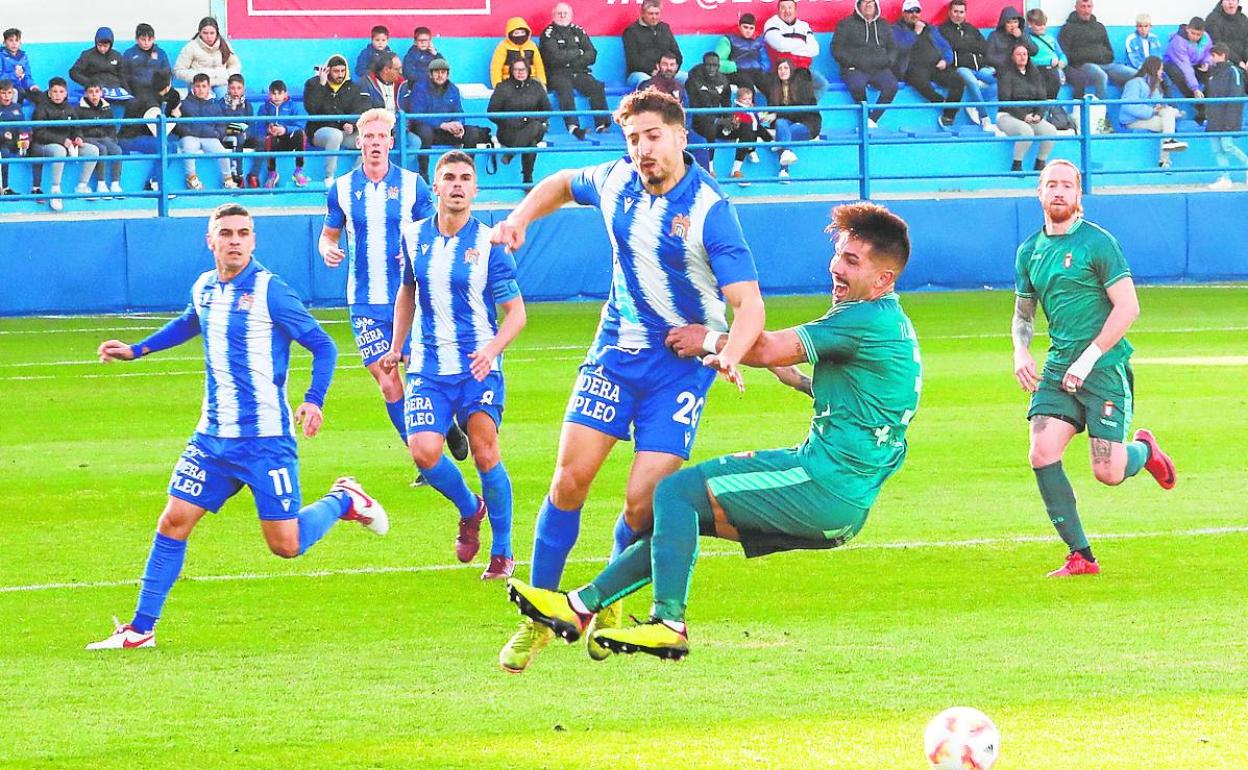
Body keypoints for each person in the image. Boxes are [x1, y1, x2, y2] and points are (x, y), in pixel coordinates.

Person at [505, 202, 921, 661]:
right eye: (839, 255)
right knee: (685, 517)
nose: (836, 268)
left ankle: (668, 622)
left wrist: (707, 338)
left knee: (675, 494)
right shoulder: (894, 325)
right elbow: (877, 407)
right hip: (844, 500)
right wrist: (802, 381)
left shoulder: (861, 320)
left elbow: (763, 347)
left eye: (852, 261)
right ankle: (578, 606)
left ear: (884, 279)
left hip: (823, 484)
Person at [490, 88, 765, 673]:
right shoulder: (614, 179)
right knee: (569, 481)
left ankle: (604, 603)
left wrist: (730, 354)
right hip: (615, 354)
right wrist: (517, 219)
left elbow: (750, 307)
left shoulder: (711, 211)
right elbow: (562, 182)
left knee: (644, 504)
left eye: (653, 137)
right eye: (634, 138)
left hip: (680, 370)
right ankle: (539, 617)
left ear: (681, 136)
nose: (642, 149)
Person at [85, 203, 389, 651]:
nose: (234, 240)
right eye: (225, 233)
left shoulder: (272, 292)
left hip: (266, 440)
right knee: (174, 521)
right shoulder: (205, 287)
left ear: (253, 241)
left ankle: (345, 499)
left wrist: (312, 400)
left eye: (243, 233)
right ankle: (140, 628)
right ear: (210, 241)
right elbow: (192, 321)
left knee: (285, 545)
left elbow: (324, 347)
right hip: (211, 438)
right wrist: (138, 349)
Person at [1011, 160, 1177, 577]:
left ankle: (1145, 451)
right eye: (1051, 185)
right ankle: (1081, 556)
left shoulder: (1098, 244)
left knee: (1109, 472)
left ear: (1079, 194)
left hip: (1102, 369)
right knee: (1041, 451)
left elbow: (1128, 307)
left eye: (1068, 185)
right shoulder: (1030, 251)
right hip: (1057, 370)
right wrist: (1020, 351)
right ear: (1039, 193)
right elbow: (1024, 314)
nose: (1059, 192)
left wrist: (1088, 359)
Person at [384, 150, 527, 578]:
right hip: (428, 366)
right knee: (424, 451)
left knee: (485, 452)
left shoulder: (489, 244)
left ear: (475, 189)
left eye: (466, 177)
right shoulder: (412, 237)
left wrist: (492, 350)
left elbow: (516, 313)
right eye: (450, 177)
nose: (458, 185)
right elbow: (407, 291)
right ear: (436, 186)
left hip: (477, 367)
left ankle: (502, 552)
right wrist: (397, 344)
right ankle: (470, 507)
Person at [318, 108, 468, 485]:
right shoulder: (342, 189)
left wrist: (416, 250)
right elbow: (329, 234)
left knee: (419, 374)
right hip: (365, 303)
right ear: (360, 142)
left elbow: (434, 230)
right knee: (388, 381)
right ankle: (422, 459)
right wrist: (326, 250)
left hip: (410, 298)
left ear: (390, 141)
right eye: (367, 137)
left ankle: (446, 424)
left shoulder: (413, 185)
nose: (374, 143)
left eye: (381, 137)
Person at [406, 58, 491, 179]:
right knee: (425, 132)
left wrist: (458, 125)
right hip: (429, 131)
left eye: (443, 72)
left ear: (448, 74)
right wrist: (441, 124)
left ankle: (466, 173)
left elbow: (459, 111)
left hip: (448, 131)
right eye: (436, 72)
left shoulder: (453, 89)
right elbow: (417, 114)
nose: (440, 75)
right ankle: (423, 174)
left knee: (472, 132)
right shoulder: (419, 88)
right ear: (430, 74)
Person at [540, 3, 610, 139]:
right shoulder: (548, 33)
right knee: (564, 88)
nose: (562, 16)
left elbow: (592, 54)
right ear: (553, 15)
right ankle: (573, 127)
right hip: (557, 73)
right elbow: (554, 58)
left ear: (571, 15)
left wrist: (572, 60)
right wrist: (578, 52)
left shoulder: (578, 30)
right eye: (559, 13)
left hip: (579, 71)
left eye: (565, 13)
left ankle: (602, 125)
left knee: (596, 86)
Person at [893, 0, 965, 128]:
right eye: (910, 12)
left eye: (917, 11)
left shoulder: (931, 29)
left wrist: (945, 60)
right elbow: (901, 48)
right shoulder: (896, 29)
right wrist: (916, 33)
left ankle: (949, 115)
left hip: (935, 66)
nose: (914, 14)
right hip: (911, 67)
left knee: (958, 81)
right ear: (903, 13)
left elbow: (946, 48)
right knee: (918, 79)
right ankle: (939, 101)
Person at [31, 77, 99, 212]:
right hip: (44, 145)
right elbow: (39, 133)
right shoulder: (41, 108)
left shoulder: (69, 108)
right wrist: (61, 140)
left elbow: (76, 127)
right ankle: (56, 191)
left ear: (66, 93)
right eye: (54, 92)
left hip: (68, 144)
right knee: (59, 151)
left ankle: (82, 186)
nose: (58, 95)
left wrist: (78, 137)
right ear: (49, 93)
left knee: (93, 150)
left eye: (61, 91)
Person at [304, 54, 370, 187]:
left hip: (344, 132)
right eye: (336, 71)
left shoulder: (352, 88)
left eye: (342, 71)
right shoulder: (313, 84)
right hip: (320, 131)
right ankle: (329, 177)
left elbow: (360, 109)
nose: (340, 74)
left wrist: (352, 124)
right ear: (328, 71)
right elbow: (312, 109)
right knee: (335, 135)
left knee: (368, 139)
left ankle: (356, 176)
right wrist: (321, 85)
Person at [833, 0, 899, 128]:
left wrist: (888, 61)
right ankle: (866, 117)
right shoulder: (846, 24)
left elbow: (893, 48)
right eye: (864, 2)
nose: (868, 5)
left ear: (876, 5)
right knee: (857, 85)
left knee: (892, 86)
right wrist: (851, 61)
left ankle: (871, 120)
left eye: (871, 2)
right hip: (855, 68)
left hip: (879, 68)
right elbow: (836, 48)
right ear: (858, 5)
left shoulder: (884, 24)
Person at [1118, 56, 1188, 170]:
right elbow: (1128, 105)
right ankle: (1165, 158)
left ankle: (1164, 159)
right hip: (1132, 121)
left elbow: (1158, 104)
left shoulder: (1155, 85)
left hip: (1150, 119)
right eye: (1160, 69)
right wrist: (1153, 111)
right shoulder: (1134, 83)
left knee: (1168, 117)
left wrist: (1168, 110)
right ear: (1154, 69)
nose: (1162, 72)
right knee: (1168, 121)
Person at [487, 58, 549, 187]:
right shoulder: (503, 87)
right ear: (511, 71)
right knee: (531, 143)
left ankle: (511, 153)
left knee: (536, 127)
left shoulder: (536, 87)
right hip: (509, 131)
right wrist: (510, 121)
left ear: (528, 70)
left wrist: (530, 120)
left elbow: (547, 110)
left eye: (523, 69)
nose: (520, 72)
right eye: (516, 69)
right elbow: (492, 112)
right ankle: (528, 179)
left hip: (533, 127)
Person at [1058, 0, 1134, 100]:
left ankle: (1130, 106)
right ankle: (1100, 111)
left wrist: (1104, 56)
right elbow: (1065, 53)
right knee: (1101, 76)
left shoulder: (1099, 27)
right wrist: (1088, 56)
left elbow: (1110, 50)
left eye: (1089, 6)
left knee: (1135, 75)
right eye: (1083, 7)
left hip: (1106, 64)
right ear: (1076, 7)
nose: (1086, 10)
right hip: (1083, 65)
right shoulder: (1067, 28)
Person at [118, 70, 180, 192]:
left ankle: (156, 181)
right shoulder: (151, 104)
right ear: (167, 87)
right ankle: (154, 183)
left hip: (134, 136)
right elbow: (160, 132)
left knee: (171, 146)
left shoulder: (148, 95)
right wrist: (174, 117)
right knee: (167, 147)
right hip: (129, 139)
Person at [996, 43, 1055, 172]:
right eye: (1018, 54)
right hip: (1008, 115)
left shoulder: (1035, 74)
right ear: (1012, 57)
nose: (1022, 57)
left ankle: (1040, 163)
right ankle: (1017, 164)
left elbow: (1042, 98)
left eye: (1025, 54)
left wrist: (1039, 114)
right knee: (1026, 131)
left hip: (1030, 116)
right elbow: (1005, 101)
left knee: (1050, 131)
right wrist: (1023, 116)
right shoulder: (1005, 75)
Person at [939, 0, 996, 131]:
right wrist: (968, 46)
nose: (958, 15)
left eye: (961, 12)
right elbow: (949, 47)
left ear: (965, 13)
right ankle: (984, 118)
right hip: (960, 68)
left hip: (980, 68)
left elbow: (984, 47)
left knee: (1000, 80)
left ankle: (974, 102)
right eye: (955, 11)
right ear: (949, 12)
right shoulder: (942, 30)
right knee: (971, 82)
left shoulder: (972, 29)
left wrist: (963, 46)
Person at [176, 72, 236, 190]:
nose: (201, 89)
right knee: (188, 150)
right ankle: (192, 179)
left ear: (209, 87)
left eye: (204, 86)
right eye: (198, 86)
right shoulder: (185, 103)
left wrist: (217, 134)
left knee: (223, 153)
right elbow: (178, 124)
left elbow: (221, 124)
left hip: (210, 137)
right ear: (193, 87)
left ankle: (228, 180)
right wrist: (186, 131)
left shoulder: (215, 105)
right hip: (190, 136)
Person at [766, 59, 821, 179]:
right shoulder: (775, 88)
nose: (782, 71)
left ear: (791, 69)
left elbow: (801, 111)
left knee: (784, 133)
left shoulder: (802, 85)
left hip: (807, 122)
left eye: (785, 68)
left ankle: (783, 167)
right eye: (780, 68)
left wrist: (777, 114)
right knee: (781, 125)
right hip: (786, 124)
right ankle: (784, 154)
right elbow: (774, 113)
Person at [1205, 42, 1248, 189]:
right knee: (1218, 150)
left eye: (1214, 56)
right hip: (1214, 118)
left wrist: (1231, 120)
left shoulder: (1233, 71)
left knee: (1227, 146)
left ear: (1222, 55)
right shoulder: (1212, 73)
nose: (1211, 59)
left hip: (1227, 119)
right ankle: (1225, 177)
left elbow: (1236, 97)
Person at [764, 0, 829, 95]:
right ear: (778, 10)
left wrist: (791, 48)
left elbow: (814, 50)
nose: (787, 11)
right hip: (783, 69)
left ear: (795, 10)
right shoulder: (772, 23)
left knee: (822, 84)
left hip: (805, 68)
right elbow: (781, 45)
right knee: (797, 86)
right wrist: (802, 44)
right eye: (783, 8)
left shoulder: (804, 26)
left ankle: (807, 107)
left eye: (790, 7)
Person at [257, 79, 309, 188]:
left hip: (289, 140)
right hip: (274, 141)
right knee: (269, 139)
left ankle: (298, 171)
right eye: (273, 93)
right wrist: (269, 130)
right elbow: (259, 126)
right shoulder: (264, 108)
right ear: (269, 94)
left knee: (301, 134)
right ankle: (272, 174)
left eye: (279, 93)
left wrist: (285, 129)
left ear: (285, 93)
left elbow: (299, 125)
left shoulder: (292, 106)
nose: (276, 96)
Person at [686, 52, 733, 167]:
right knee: (710, 128)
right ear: (703, 65)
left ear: (718, 66)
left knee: (745, 126)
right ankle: (710, 167)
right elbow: (694, 107)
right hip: (699, 123)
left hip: (717, 120)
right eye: (708, 65)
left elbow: (726, 103)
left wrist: (729, 120)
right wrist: (717, 121)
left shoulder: (724, 81)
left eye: (714, 65)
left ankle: (737, 169)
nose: (711, 68)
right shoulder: (693, 81)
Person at [77, 83, 124, 197]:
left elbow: (111, 126)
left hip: (104, 137)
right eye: (91, 92)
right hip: (88, 138)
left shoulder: (106, 108)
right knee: (102, 150)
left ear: (101, 93)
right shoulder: (79, 109)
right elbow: (77, 128)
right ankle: (101, 183)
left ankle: (115, 183)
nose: (94, 95)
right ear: (85, 94)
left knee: (117, 150)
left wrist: (112, 138)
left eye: (97, 92)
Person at [174, 16, 241, 97]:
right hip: (200, 85)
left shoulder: (224, 45)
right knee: (206, 100)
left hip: (221, 83)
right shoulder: (191, 47)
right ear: (200, 33)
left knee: (225, 99)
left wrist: (226, 74)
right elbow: (178, 70)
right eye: (205, 33)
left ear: (217, 33)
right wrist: (199, 77)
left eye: (212, 33)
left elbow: (236, 65)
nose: (209, 36)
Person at [720, 84, 773, 184]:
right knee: (749, 126)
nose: (748, 101)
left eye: (750, 99)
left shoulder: (752, 109)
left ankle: (770, 142)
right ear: (739, 100)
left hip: (750, 133)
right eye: (745, 99)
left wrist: (758, 116)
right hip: (735, 131)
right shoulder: (737, 109)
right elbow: (739, 120)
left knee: (759, 127)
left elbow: (756, 121)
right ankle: (736, 169)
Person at [622, 0, 683, 87]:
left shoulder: (665, 28)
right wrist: (652, 69)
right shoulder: (631, 31)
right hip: (640, 73)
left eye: (657, 13)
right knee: (647, 82)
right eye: (650, 13)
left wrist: (672, 69)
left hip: (666, 71)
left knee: (688, 78)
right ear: (642, 13)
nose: (654, 17)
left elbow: (677, 53)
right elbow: (633, 60)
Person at [1165, 17, 1214, 124]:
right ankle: (1198, 104)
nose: (1195, 37)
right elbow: (1185, 66)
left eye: (1198, 34)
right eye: (1193, 33)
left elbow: (1209, 52)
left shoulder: (1206, 37)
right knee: (1180, 77)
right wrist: (1195, 88)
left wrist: (1207, 62)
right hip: (1174, 63)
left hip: (1195, 63)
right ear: (1187, 29)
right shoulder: (1179, 42)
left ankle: (1206, 105)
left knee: (1212, 74)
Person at [221, 73, 262, 188]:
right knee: (237, 138)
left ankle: (254, 175)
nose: (235, 91)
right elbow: (223, 124)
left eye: (239, 88)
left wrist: (245, 133)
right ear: (228, 88)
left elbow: (250, 124)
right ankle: (237, 175)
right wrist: (233, 109)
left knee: (261, 140)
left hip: (244, 135)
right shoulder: (222, 104)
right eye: (232, 88)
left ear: (243, 89)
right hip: (228, 136)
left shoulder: (247, 105)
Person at [69, 27, 132, 102]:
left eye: (105, 46)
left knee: (132, 103)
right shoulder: (87, 55)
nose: (102, 49)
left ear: (110, 44)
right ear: (96, 43)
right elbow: (73, 72)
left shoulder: (117, 56)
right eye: (100, 45)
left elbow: (122, 75)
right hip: (95, 90)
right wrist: (90, 83)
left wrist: (128, 92)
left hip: (114, 90)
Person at [715, 13, 771, 94]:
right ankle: (748, 106)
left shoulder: (758, 41)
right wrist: (733, 66)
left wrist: (763, 67)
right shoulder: (729, 39)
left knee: (771, 87)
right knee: (747, 86)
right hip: (737, 72)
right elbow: (717, 62)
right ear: (739, 26)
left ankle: (774, 106)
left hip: (756, 71)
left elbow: (765, 59)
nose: (748, 31)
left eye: (751, 28)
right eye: (745, 27)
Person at [491, 17, 546, 87]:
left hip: (531, 81)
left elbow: (539, 66)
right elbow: (496, 68)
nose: (520, 35)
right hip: (509, 81)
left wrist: (542, 83)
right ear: (510, 34)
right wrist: (497, 86)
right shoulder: (503, 47)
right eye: (516, 33)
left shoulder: (532, 46)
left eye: (522, 32)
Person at [1026, 9, 1067, 100]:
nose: (1042, 27)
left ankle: (1051, 108)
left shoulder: (1050, 38)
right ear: (1030, 24)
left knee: (1053, 92)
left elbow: (1062, 55)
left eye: (1043, 24)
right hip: (1037, 71)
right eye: (1038, 25)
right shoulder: (1027, 39)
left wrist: (1062, 62)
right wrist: (1048, 61)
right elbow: (1027, 59)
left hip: (1053, 71)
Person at [121, 23, 172, 96]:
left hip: (157, 92)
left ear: (154, 39)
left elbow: (167, 73)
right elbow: (123, 75)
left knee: (175, 97)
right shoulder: (129, 54)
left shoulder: (161, 53)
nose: (146, 43)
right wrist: (129, 93)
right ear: (137, 39)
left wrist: (163, 91)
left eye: (150, 39)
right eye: (143, 40)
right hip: (136, 92)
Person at [985, 7, 1037, 72]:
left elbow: (1034, 51)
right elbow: (988, 57)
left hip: (1022, 68)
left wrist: (1022, 36)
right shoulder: (994, 36)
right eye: (1009, 23)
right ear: (1004, 24)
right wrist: (1010, 60)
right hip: (1002, 68)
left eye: (1015, 22)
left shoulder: (1023, 34)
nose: (1013, 25)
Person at [1206, 0, 1248, 70]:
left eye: (1233, 0)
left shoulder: (1243, 18)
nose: (1231, 3)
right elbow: (1217, 45)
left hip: (1244, 60)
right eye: (1227, 0)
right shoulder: (1213, 19)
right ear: (1221, 2)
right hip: (1226, 60)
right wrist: (1239, 62)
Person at [0, 28, 38, 104]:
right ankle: (13, 114)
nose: (14, 43)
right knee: (18, 92)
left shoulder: (23, 56)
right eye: (11, 40)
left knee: (39, 95)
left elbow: (27, 75)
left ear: (20, 43)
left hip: (22, 86)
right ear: (4, 43)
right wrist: (14, 75)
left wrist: (32, 85)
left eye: (17, 40)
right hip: (7, 87)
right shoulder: (1, 56)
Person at [0, 80, 24, 195]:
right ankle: (4, 188)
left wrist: (26, 139)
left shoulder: (17, 108)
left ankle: (36, 189)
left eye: (9, 93)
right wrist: (2, 135)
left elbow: (24, 127)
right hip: (2, 143)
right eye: (3, 93)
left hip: (15, 142)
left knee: (37, 150)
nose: (6, 96)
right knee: (3, 153)